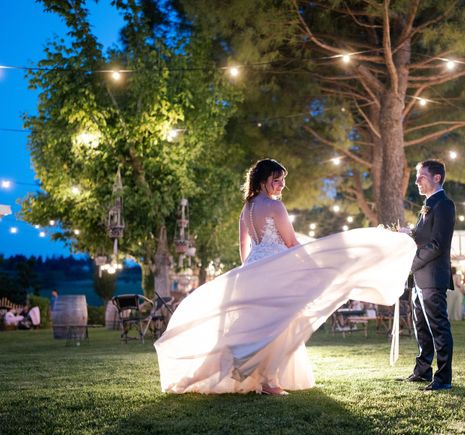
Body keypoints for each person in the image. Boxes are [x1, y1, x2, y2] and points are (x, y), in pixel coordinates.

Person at [154, 158, 416, 396]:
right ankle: (268, 381)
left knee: (259, 324)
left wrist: (253, 270)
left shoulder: (246, 209)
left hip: (255, 270)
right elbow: (291, 243)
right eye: (276, 180)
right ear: (262, 180)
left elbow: (244, 250)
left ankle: (254, 375)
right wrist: (315, 267)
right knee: (277, 324)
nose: (281, 185)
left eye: (283, 180)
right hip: (277, 269)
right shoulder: (275, 207)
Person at [398, 159, 456, 392]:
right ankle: (423, 371)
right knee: (421, 327)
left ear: (437, 178)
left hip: (433, 277)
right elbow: (423, 236)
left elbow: (437, 244)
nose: (416, 181)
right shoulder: (428, 206)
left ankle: (443, 378)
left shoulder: (444, 205)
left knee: (438, 327)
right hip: (421, 279)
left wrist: (410, 264)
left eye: (421, 176)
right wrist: (406, 234)